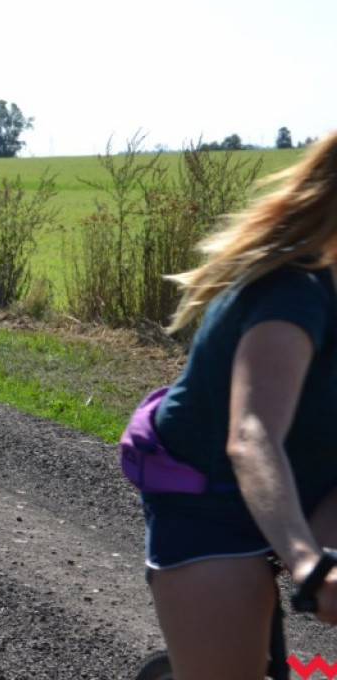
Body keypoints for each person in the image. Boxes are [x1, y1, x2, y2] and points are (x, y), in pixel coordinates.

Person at [137, 132, 337, 677]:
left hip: (317, 487)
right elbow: (252, 437)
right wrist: (308, 566)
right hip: (212, 500)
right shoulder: (294, 293)